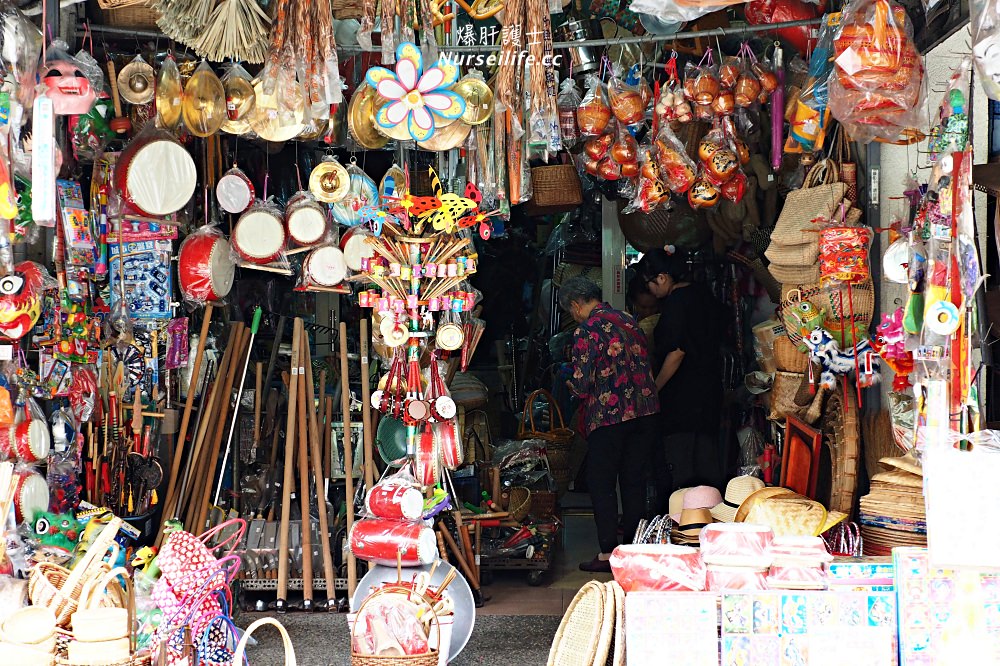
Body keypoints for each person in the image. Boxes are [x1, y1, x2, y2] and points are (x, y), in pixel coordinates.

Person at [559, 277, 660, 572]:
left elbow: (582, 383)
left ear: (577, 305)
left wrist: (570, 383)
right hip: (645, 412)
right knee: (634, 481)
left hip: (609, 415)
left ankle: (607, 555)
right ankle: (633, 550)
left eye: (572, 310)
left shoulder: (586, 330)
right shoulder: (628, 319)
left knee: (602, 484)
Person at [638, 249, 725, 492]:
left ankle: (684, 520)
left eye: (650, 284)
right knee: (706, 459)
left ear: (662, 277)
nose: (651, 292)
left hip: (684, 395)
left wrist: (654, 389)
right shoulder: (702, 293)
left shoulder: (677, 302)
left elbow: (677, 352)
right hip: (708, 389)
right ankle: (708, 513)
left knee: (683, 462)